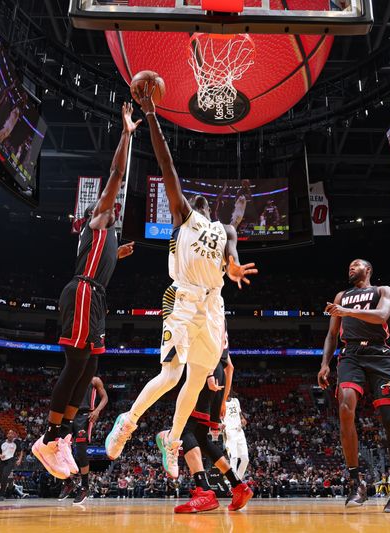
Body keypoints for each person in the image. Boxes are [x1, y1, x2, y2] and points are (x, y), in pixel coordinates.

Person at [104, 82, 257, 479]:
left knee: (195, 378)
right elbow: (167, 165)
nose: (202, 201)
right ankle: (129, 420)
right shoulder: (184, 215)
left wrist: (235, 267)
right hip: (183, 298)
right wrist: (152, 114)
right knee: (171, 375)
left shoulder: (226, 229)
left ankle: (171, 440)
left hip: (214, 305)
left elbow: (233, 252)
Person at [31, 102, 139, 479]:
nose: (117, 205)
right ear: (100, 209)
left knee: (91, 365)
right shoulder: (96, 220)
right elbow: (115, 173)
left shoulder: (107, 236)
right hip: (81, 293)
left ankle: (61, 435)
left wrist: (118, 257)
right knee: (76, 363)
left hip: (96, 298)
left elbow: (97, 262)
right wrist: (126, 134)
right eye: (113, 204)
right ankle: (48, 436)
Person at [318, 259, 390, 512]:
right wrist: (325, 363)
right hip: (350, 355)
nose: (350, 267)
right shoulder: (341, 296)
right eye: (348, 265)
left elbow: (382, 316)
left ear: (367, 270)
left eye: (355, 264)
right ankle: (356, 482)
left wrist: (346, 312)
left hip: (380, 355)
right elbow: (332, 335)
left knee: (389, 417)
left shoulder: (382, 291)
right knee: (345, 407)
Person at [175, 335, 253, 513]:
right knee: (201, 438)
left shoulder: (207, 309)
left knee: (184, 429)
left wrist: (209, 374)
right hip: (220, 377)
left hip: (205, 373)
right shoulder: (222, 320)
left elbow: (204, 344)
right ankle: (238, 485)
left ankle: (203, 491)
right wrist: (223, 400)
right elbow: (230, 367)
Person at [58, 375, 108, 505]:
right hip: (68, 416)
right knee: (59, 449)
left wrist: (97, 411)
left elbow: (105, 397)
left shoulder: (94, 380)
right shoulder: (72, 377)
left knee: (80, 452)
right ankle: (68, 483)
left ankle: (84, 487)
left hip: (85, 417)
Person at [223, 393, 249, 479]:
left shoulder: (235, 400)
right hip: (229, 431)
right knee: (233, 458)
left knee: (245, 459)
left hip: (239, 431)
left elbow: (240, 413)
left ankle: (238, 480)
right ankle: (233, 482)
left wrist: (242, 419)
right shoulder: (221, 403)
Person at [0, 430, 23, 501]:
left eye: (12, 434)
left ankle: (1, 495)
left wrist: (19, 460)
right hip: (2, 461)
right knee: (1, 478)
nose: (11, 435)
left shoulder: (16, 443)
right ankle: (6, 489)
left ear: (14, 436)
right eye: (9, 433)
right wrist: (0, 456)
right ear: (7, 435)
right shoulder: (2, 443)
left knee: (5, 475)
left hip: (11, 461)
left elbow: (21, 452)